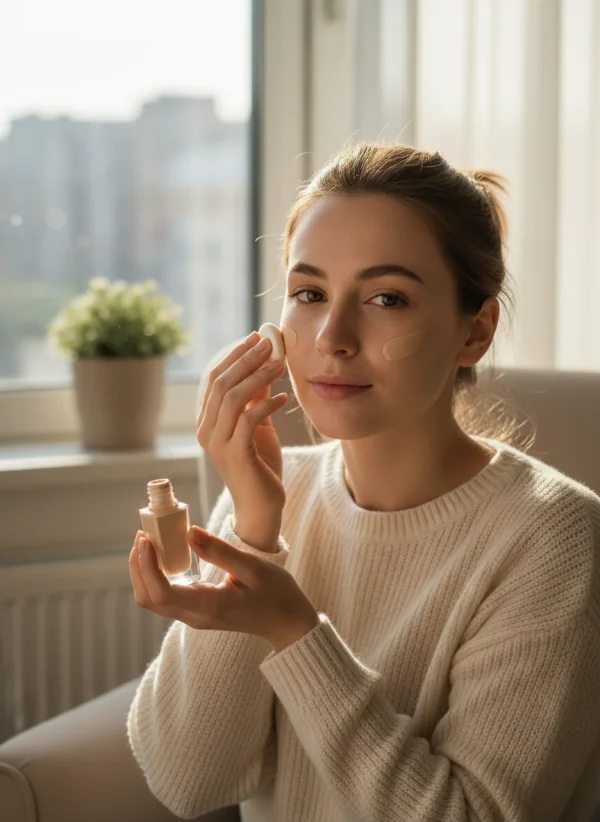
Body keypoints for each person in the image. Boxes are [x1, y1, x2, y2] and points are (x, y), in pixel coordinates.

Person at [126, 142, 600, 821]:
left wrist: (295, 632)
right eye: (309, 294)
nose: (332, 336)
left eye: (386, 297)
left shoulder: (556, 539)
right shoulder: (269, 496)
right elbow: (186, 782)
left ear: (477, 331)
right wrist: (255, 538)